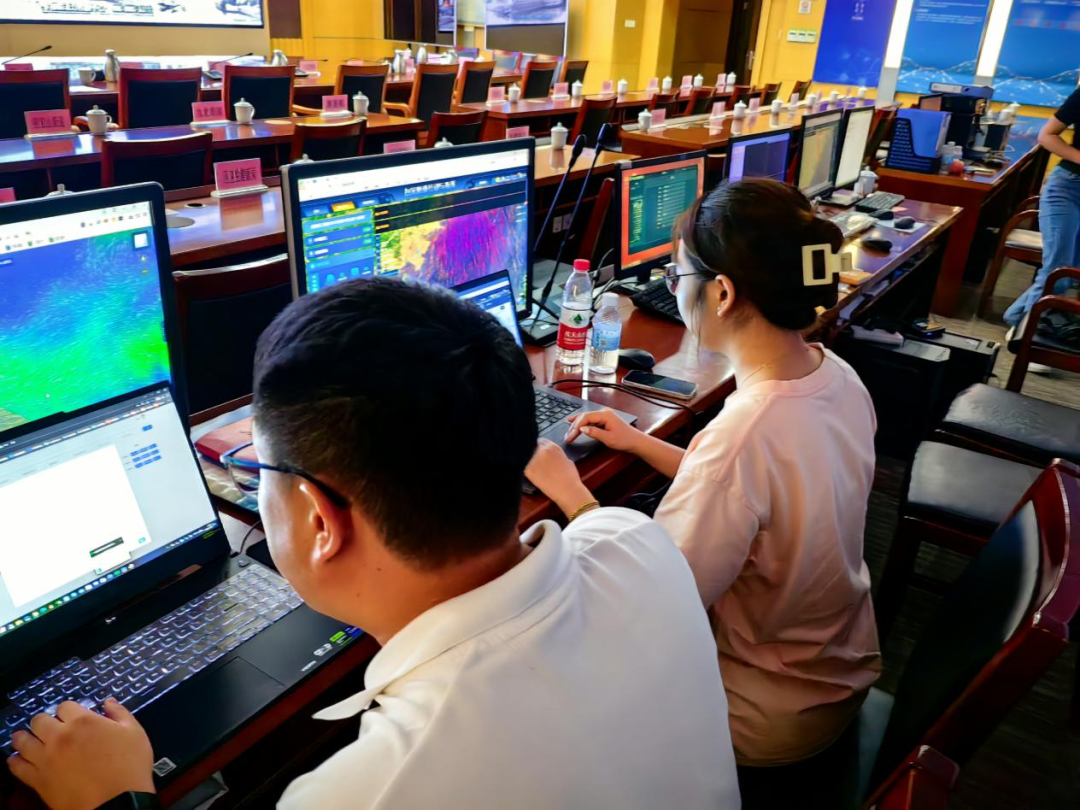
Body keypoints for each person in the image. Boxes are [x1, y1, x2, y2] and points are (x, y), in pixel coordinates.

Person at [7, 279, 740, 810]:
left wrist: (118, 800)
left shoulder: (368, 792)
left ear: (321, 521)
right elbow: (596, 525)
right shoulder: (637, 543)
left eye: (263, 471)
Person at [527, 180, 882, 798]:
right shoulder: (835, 375)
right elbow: (763, 491)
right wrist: (642, 444)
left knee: (539, 679)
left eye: (676, 276)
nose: (672, 288)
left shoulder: (745, 435)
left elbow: (648, 610)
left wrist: (573, 497)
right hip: (830, 672)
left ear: (721, 293)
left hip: (758, 716)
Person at [1003, 90, 1080, 331]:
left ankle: (1017, 319)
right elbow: (1047, 135)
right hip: (1068, 188)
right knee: (1058, 268)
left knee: (1071, 272)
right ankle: (1028, 332)